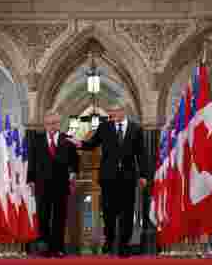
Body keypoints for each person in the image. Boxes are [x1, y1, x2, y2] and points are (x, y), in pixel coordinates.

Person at [74, 104, 148, 257]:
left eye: (116, 111)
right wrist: (80, 143)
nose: (113, 114)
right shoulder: (104, 127)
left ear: (124, 111)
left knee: (127, 213)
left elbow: (141, 154)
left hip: (128, 177)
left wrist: (143, 175)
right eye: (112, 112)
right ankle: (109, 241)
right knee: (108, 212)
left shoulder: (136, 129)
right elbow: (92, 143)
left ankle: (124, 246)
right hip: (108, 177)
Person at [27, 111, 78, 257]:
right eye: (49, 123)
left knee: (59, 218)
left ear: (59, 124)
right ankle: (44, 248)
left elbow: (75, 161)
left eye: (55, 123)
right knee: (43, 216)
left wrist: (73, 174)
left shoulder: (68, 139)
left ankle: (58, 248)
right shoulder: (36, 140)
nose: (52, 126)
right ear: (45, 124)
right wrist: (30, 180)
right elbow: (32, 162)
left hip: (61, 185)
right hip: (42, 185)